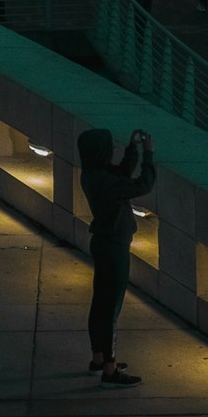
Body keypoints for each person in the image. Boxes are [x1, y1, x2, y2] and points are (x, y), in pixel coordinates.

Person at [77, 126, 156, 387]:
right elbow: (143, 184)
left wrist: (132, 149)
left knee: (100, 303)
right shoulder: (104, 181)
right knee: (110, 309)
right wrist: (148, 155)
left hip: (103, 243)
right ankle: (110, 370)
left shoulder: (93, 174)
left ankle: (98, 358)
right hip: (114, 247)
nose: (111, 151)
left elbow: (120, 173)